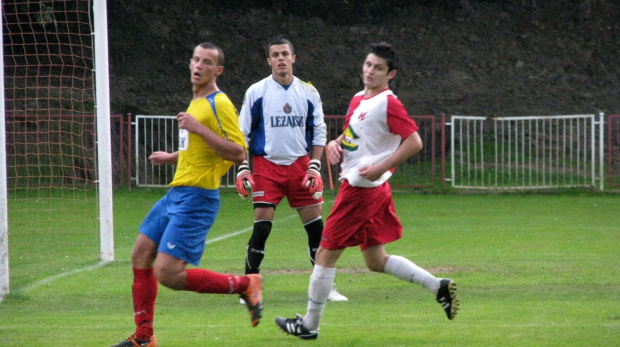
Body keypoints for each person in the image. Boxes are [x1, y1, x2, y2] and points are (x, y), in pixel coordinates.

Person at [275, 42, 459, 340]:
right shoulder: (359, 98)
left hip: (362, 189)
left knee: (324, 254)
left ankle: (309, 325)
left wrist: (379, 166)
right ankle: (437, 285)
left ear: (391, 74)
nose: (370, 71)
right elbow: (351, 137)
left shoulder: (389, 102)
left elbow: (414, 142)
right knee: (376, 261)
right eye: (368, 64)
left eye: (378, 68)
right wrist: (335, 144)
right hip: (373, 188)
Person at [111, 42, 263, 347]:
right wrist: (173, 157)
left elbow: (237, 151)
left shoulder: (218, 104)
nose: (198, 65)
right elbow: (203, 150)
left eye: (207, 62)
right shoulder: (196, 102)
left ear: (217, 70)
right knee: (140, 253)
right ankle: (144, 338)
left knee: (168, 273)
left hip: (197, 198)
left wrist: (198, 129)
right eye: (195, 59)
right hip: (176, 193)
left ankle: (246, 284)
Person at [235, 36, 348, 302]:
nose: (281, 58)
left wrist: (314, 167)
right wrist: (242, 168)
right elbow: (242, 134)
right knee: (262, 228)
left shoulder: (309, 92)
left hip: (300, 166)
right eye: (275, 55)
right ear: (269, 61)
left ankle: (325, 287)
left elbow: (319, 132)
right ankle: (249, 286)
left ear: (293, 58)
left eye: (285, 53)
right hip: (266, 166)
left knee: (316, 230)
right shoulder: (256, 92)